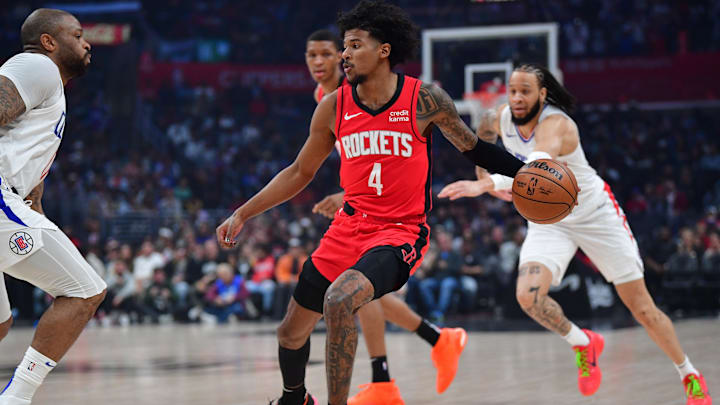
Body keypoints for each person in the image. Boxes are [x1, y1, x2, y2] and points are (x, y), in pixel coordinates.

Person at [216, 2, 525, 404]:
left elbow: (476, 149)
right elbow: (298, 173)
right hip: (347, 227)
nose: (343, 54)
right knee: (289, 333)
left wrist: (525, 173)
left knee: (342, 299)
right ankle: (295, 398)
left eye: (354, 45)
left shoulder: (423, 99)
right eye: (342, 46)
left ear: (383, 50)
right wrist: (243, 213)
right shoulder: (334, 106)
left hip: (399, 233)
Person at [439, 64, 712, 404]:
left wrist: (486, 183)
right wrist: (482, 169)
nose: (517, 97)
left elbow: (536, 172)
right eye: (512, 91)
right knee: (528, 297)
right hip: (549, 220)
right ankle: (584, 342)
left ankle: (689, 373)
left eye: (526, 90)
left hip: (595, 215)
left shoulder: (558, 125)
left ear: (543, 94)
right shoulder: (499, 117)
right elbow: (483, 133)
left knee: (642, 309)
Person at [305, 28, 469, 403]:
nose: (320, 62)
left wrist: (347, 193)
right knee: (355, 296)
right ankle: (434, 343)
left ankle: (387, 380)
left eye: (328, 54)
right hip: (362, 212)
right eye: (311, 55)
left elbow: (388, 156)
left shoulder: (375, 91)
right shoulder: (329, 98)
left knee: (355, 296)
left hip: (397, 214)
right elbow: (359, 157)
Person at [0, 9, 107, 405]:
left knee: (0, 323)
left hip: (12, 195)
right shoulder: (37, 66)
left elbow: (26, 164)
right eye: (78, 35)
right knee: (85, 291)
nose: (86, 42)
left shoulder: (49, 89)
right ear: (49, 41)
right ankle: (15, 399)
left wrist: (36, 205)